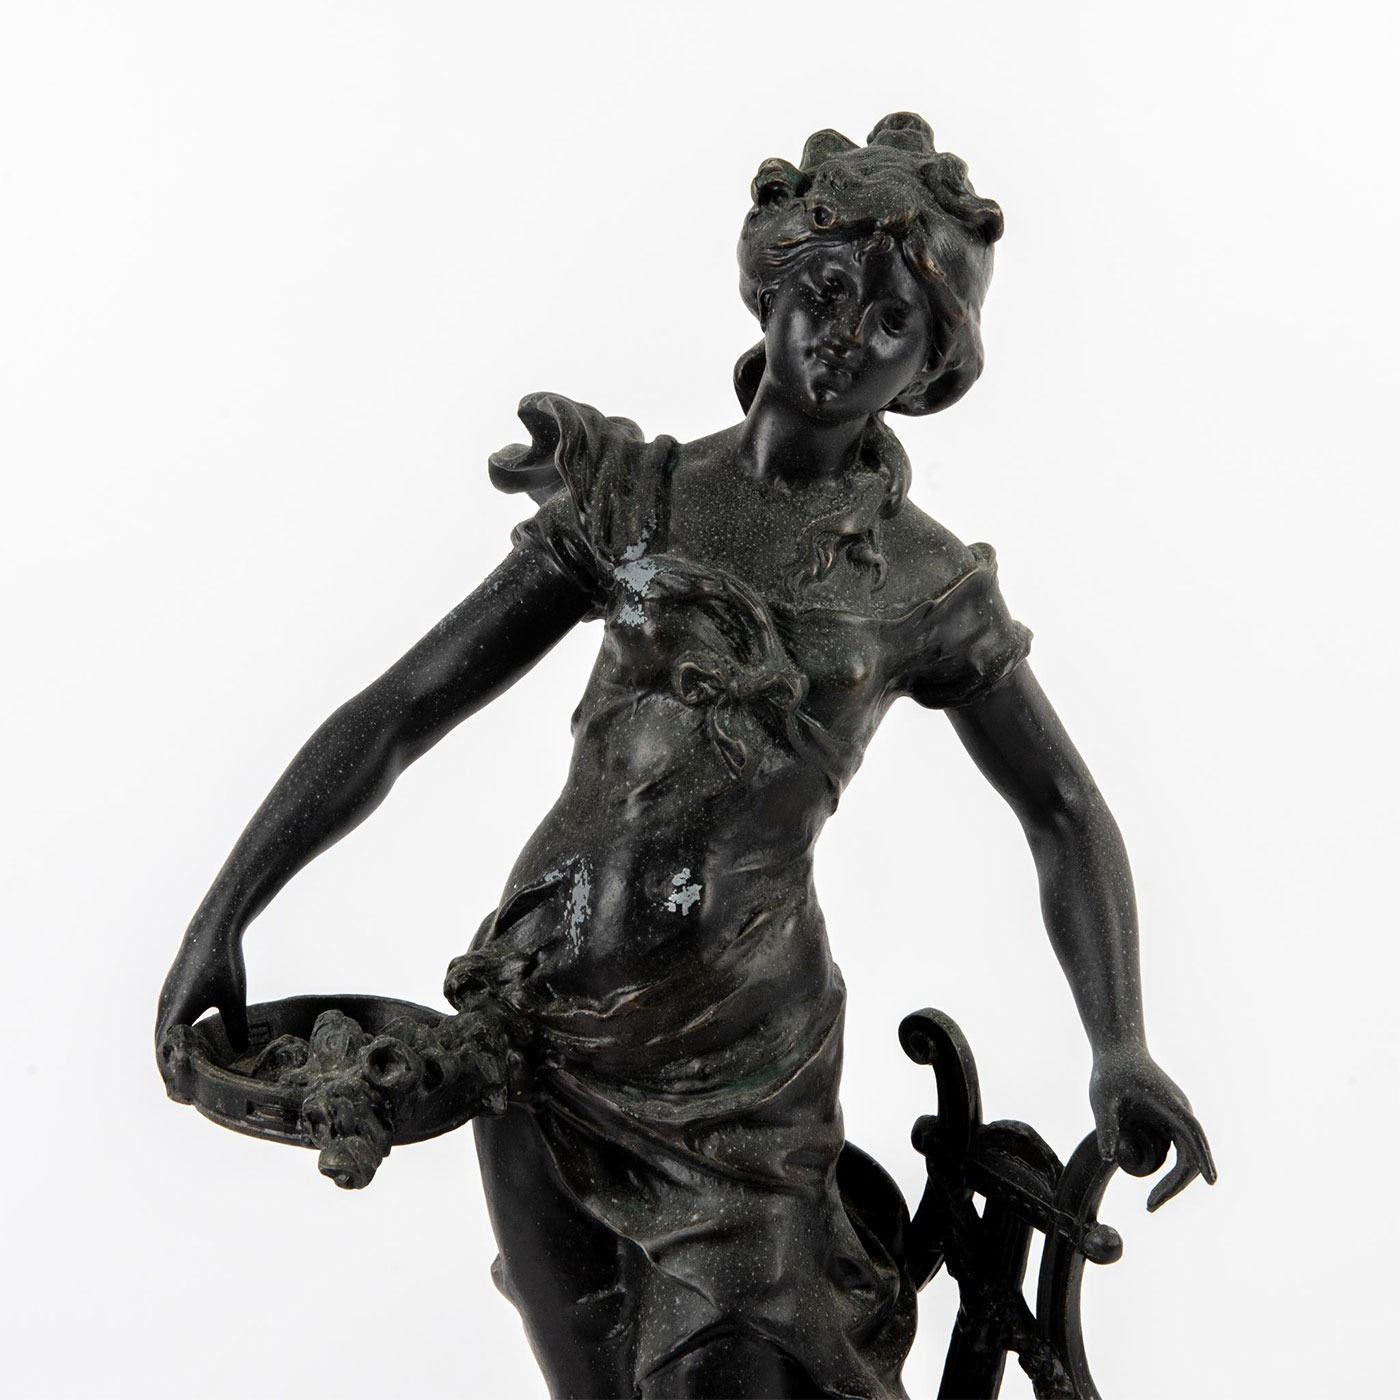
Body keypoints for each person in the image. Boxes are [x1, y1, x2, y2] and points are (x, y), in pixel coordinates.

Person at [156, 113, 1214, 1400]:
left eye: (893, 321)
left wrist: (1118, 1040)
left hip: (740, 1070)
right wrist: (226, 908)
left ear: (929, 370)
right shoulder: (638, 500)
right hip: (536, 1023)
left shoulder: (923, 582)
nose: (845, 335)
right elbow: (401, 708)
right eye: (826, 289)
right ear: (770, 283)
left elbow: (1060, 805)